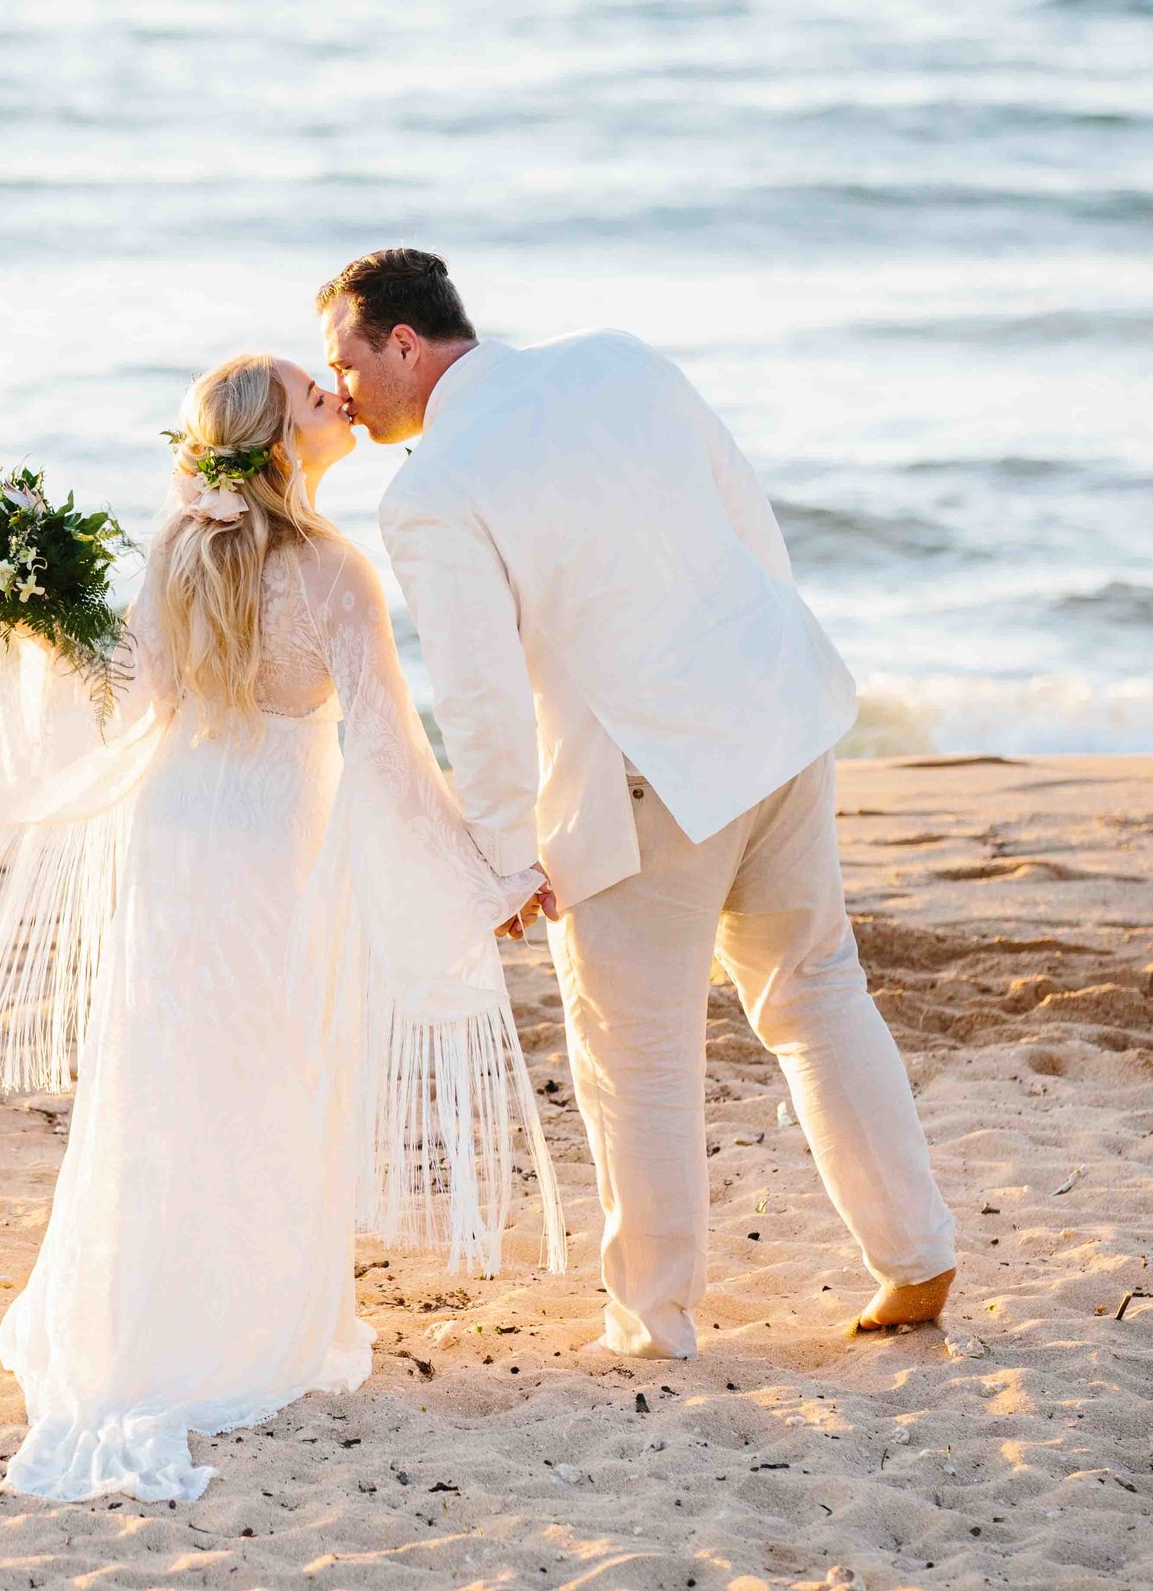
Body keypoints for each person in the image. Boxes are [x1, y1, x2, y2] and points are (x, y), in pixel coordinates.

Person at [0, 353, 563, 1503]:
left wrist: (40, 616)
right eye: (312, 394)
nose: (337, 395)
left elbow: (127, 698)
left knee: (166, 1065)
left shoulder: (180, 551)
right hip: (277, 833)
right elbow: (388, 750)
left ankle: (149, 1310)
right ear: (279, 438)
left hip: (177, 829)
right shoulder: (337, 573)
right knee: (271, 1067)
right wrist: (489, 870)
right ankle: (245, 1322)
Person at [317, 248, 958, 1360]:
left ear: (405, 345)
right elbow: (743, 518)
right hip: (774, 708)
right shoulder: (614, 357)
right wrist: (763, 670)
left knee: (636, 1051)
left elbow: (479, 698)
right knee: (817, 989)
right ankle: (916, 1254)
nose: (344, 388)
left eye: (349, 360)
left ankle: (651, 1317)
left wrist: (506, 855)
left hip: (645, 775)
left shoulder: (430, 486)